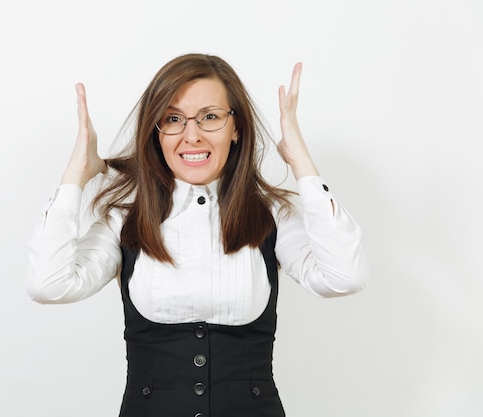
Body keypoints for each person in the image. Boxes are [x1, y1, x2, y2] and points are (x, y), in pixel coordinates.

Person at [26, 53, 369, 417]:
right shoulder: (125, 220)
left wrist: (301, 162)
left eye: (210, 117)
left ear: (236, 127)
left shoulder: (271, 216)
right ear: (155, 131)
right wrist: (75, 175)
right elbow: (48, 285)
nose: (192, 135)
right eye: (173, 119)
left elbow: (344, 277)